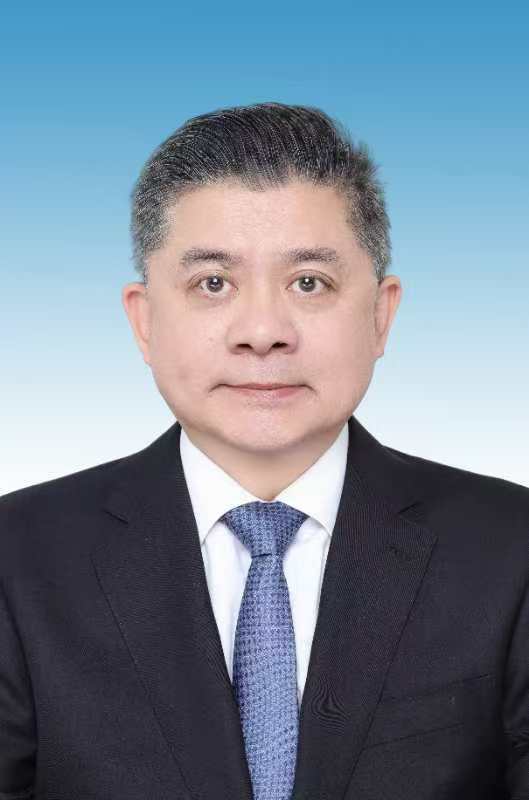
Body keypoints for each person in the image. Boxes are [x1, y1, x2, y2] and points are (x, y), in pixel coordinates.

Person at [1, 102, 528, 800]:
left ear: (380, 314)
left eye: (308, 282)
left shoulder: (511, 548)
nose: (261, 331)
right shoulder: (18, 557)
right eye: (212, 283)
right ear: (144, 320)